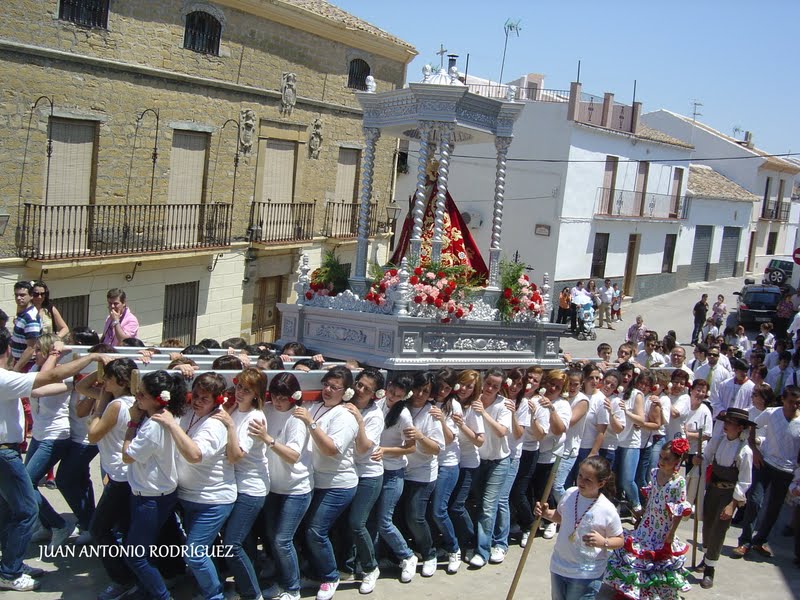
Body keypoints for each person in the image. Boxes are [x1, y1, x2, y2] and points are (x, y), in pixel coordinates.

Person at [0, 336, 105, 591]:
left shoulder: (8, 377)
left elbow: (50, 382)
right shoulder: (4, 378)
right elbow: (44, 379)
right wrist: (89, 357)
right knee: (25, 510)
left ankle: (11, 564)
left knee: (10, 508)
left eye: (37, 350)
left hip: (38, 441)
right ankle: (11, 570)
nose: (29, 355)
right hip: (5, 452)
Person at [160, 373, 236, 600]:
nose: (198, 401)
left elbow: (195, 455)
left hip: (212, 500)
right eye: (196, 395)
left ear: (218, 400)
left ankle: (214, 595)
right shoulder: (191, 413)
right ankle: (213, 583)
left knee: (194, 552)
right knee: (204, 549)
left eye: (205, 398)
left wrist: (172, 425)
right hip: (189, 496)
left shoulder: (215, 425)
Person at [121, 370, 188, 600]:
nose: (136, 397)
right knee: (148, 547)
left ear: (157, 398)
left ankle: (162, 596)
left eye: (141, 394)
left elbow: (127, 455)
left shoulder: (152, 425)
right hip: (159, 491)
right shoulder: (170, 415)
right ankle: (147, 589)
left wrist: (131, 422)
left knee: (135, 554)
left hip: (149, 496)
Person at [78, 357, 140, 600]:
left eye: (108, 378)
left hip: (120, 478)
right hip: (124, 475)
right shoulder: (130, 400)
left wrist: (100, 404)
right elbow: (81, 388)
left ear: (121, 381)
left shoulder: (115, 406)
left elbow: (93, 434)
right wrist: (99, 366)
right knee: (123, 528)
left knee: (99, 529)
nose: (103, 381)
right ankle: (132, 576)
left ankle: (122, 580)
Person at [294, 365, 359, 600]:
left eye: (335, 387)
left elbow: (331, 449)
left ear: (347, 392)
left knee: (315, 530)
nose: (328, 390)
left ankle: (331, 576)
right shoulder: (318, 406)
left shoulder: (345, 416)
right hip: (316, 481)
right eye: (326, 385)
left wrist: (311, 424)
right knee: (308, 529)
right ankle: (316, 571)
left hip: (338, 484)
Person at [603, 438, 693, 600]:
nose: (662, 462)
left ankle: (654, 593)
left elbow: (679, 510)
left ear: (677, 461)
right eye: (661, 457)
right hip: (647, 524)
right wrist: (642, 514)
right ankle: (633, 590)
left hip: (662, 528)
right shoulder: (654, 473)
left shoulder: (678, 482)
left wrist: (671, 533)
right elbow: (651, 498)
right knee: (636, 554)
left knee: (655, 561)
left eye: (667, 459)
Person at [254, 372, 312, 600]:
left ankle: (293, 587)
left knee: (282, 539)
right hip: (273, 486)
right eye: (275, 396)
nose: (278, 401)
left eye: (283, 397)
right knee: (271, 537)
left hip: (296, 489)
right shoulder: (267, 410)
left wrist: (267, 439)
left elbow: (293, 455)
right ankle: (281, 579)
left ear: (294, 397)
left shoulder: (296, 418)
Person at [214, 368, 269, 600]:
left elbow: (236, 455)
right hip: (236, 485)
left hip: (251, 487)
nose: (240, 393)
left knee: (232, 544)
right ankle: (246, 583)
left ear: (256, 394)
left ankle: (251, 593)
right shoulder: (236, 409)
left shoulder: (255, 417)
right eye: (239, 387)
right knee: (243, 543)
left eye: (247, 390)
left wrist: (228, 425)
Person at [535, 456, 624, 600]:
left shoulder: (607, 509)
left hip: (586, 573)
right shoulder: (570, 493)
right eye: (580, 476)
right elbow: (561, 517)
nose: (581, 481)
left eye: (588, 480)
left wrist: (603, 542)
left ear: (601, 483)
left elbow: (619, 540)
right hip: (559, 565)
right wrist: (545, 513)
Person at [733, 385, 800, 559]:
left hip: (786, 471)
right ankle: (745, 542)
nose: (794, 406)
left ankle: (759, 541)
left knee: (774, 509)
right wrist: (754, 450)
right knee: (754, 501)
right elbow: (752, 425)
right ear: (783, 400)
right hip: (765, 464)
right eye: (791, 402)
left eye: (798, 403)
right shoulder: (771, 413)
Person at [366, 374, 418, 583]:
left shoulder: (404, 415)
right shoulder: (376, 403)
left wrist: (384, 450)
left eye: (399, 396)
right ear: (387, 387)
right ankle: (375, 559)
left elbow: (411, 447)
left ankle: (407, 555)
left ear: (405, 396)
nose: (393, 398)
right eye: (392, 392)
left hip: (393, 472)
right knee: (370, 519)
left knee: (384, 520)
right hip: (373, 468)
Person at [696, 407, 754, 589]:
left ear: (740, 428)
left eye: (730, 423)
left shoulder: (745, 452)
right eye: (726, 421)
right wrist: (699, 461)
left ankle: (710, 569)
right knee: (707, 525)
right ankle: (705, 558)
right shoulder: (718, 440)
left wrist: (732, 505)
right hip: (713, 490)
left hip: (728, 494)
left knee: (719, 529)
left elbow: (744, 481)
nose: (726, 425)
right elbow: (706, 457)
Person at [342, 369, 385, 594]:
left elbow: (362, 448)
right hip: (347, 473)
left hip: (368, 474)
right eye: (358, 384)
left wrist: (359, 420)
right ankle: (348, 565)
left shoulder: (374, 415)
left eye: (366, 389)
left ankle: (370, 567)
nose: (359, 390)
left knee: (358, 523)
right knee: (345, 525)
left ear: (375, 394)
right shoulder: (344, 403)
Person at [401, 371, 445, 576]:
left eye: (425, 391)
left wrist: (419, 436)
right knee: (399, 516)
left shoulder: (431, 413)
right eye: (417, 388)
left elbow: (437, 448)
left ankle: (430, 553)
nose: (419, 393)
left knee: (415, 517)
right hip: (401, 469)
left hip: (422, 473)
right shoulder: (402, 406)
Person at [468, 368, 511, 567]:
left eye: (495, 386)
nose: (490, 388)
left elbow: (502, 431)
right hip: (477, 460)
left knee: (489, 505)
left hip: (498, 461)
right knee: (475, 503)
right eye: (488, 383)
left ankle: (485, 550)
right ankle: (480, 541)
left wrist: (484, 413)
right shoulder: (472, 399)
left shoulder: (503, 405)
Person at [448, 370, 485, 562]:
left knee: (457, 506)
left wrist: (462, 425)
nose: (464, 389)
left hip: (468, 463)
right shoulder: (449, 403)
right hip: (450, 462)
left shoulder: (472, 409)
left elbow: (480, 440)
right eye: (462, 384)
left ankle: (470, 542)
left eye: (469, 386)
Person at [428, 369, 463, 571]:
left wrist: (441, 419)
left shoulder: (454, 405)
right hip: (426, 464)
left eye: (447, 388)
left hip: (447, 464)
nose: (442, 391)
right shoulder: (426, 400)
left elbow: (449, 439)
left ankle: (453, 548)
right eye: (440, 386)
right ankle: (435, 546)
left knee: (439, 510)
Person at [10, 281, 41, 372]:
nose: (19, 298)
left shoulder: (30, 318)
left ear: (31, 296)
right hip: (20, 364)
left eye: (22, 295)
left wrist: (16, 370)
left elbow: (31, 348)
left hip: (27, 366)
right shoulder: (23, 314)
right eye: (16, 295)